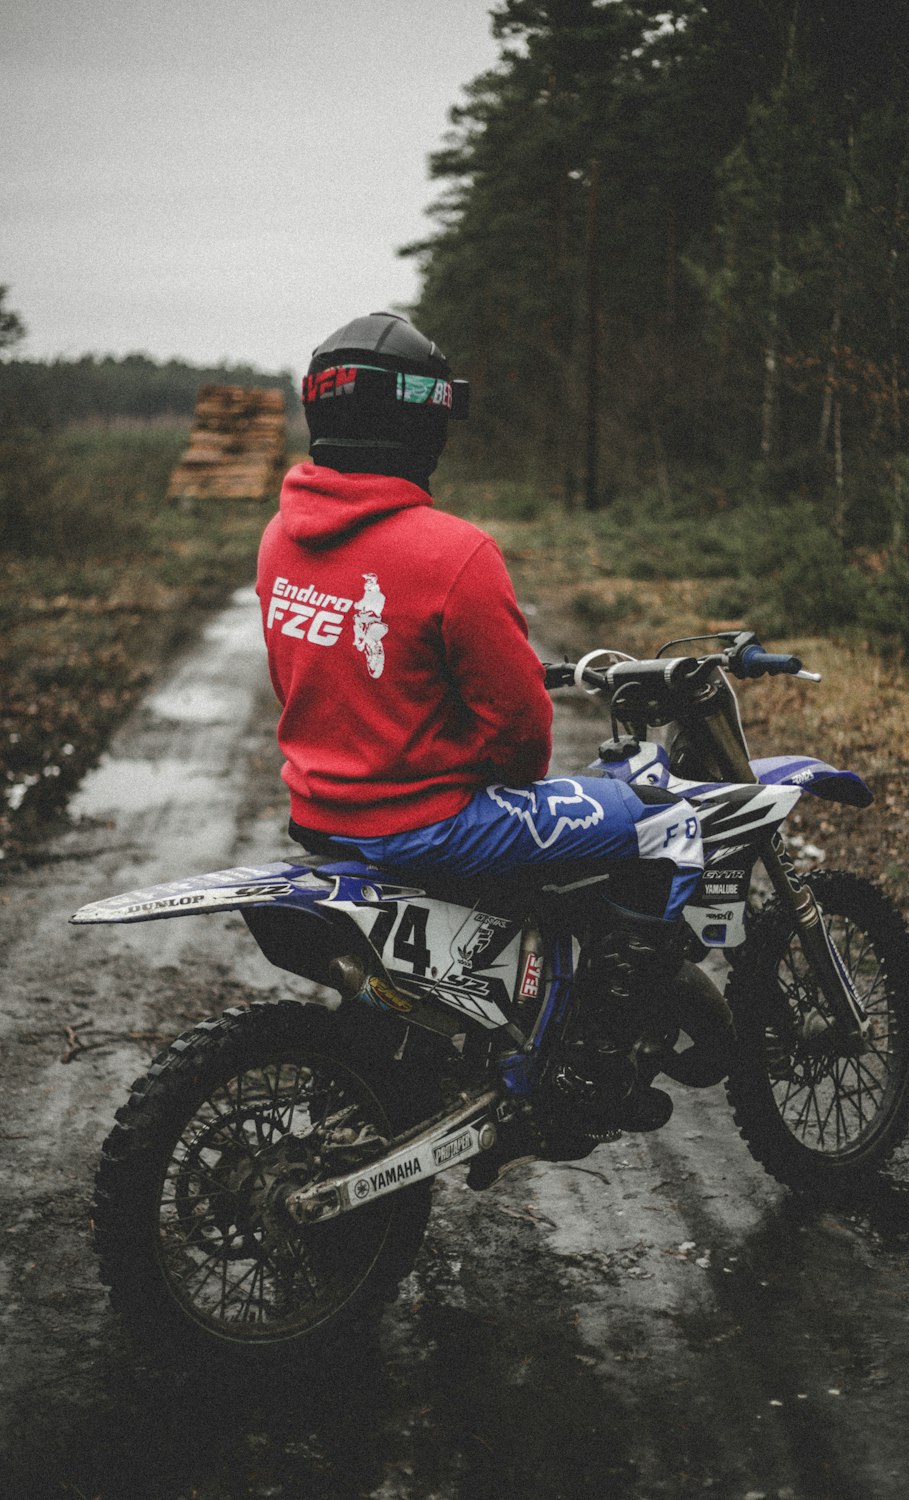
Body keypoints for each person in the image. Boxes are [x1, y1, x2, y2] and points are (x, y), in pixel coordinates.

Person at [256, 311, 704, 1133]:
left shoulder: (281, 537)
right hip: (425, 823)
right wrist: (483, 771)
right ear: (422, 420)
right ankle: (599, 1058)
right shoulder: (453, 553)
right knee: (668, 818)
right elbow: (523, 739)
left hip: (324, 813)